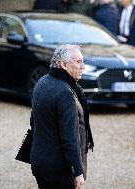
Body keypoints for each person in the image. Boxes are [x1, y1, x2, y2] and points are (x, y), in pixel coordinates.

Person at [30, 44, 94, 189]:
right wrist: (78, 172)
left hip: (40, 161)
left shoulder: (42, 82)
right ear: (63, 64)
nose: (83, 67)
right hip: (60, 169)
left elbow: (34, 122)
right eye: (78, 62)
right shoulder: (65, 93)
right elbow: (70, 138)